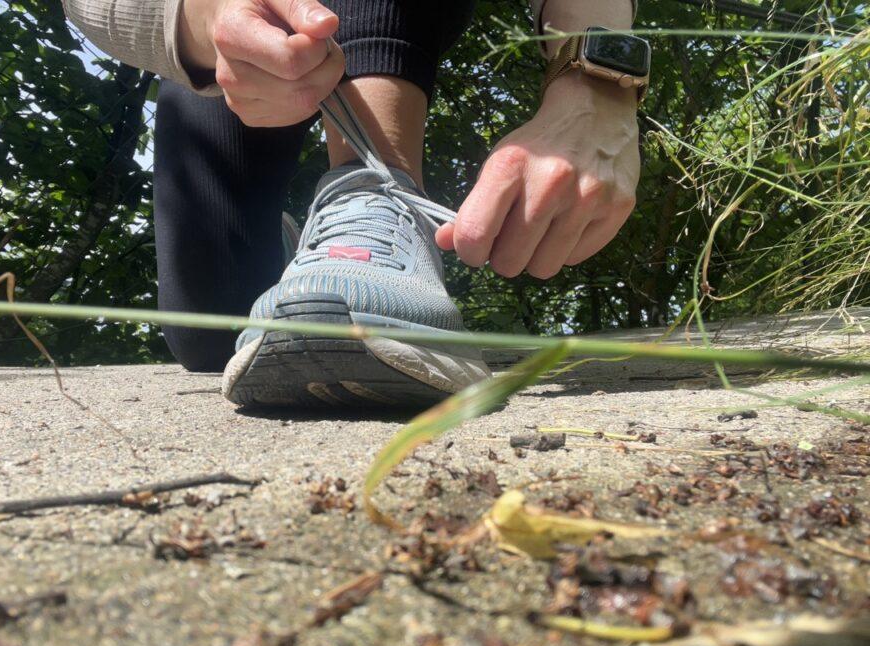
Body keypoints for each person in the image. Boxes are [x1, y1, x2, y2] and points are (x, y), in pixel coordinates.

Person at [62, 0, 648, 407]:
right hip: (223, 47)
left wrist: (596, 87)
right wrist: (205, 19)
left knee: (315, 323)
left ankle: (373, 198)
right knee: (209, 329)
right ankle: (309, 250)